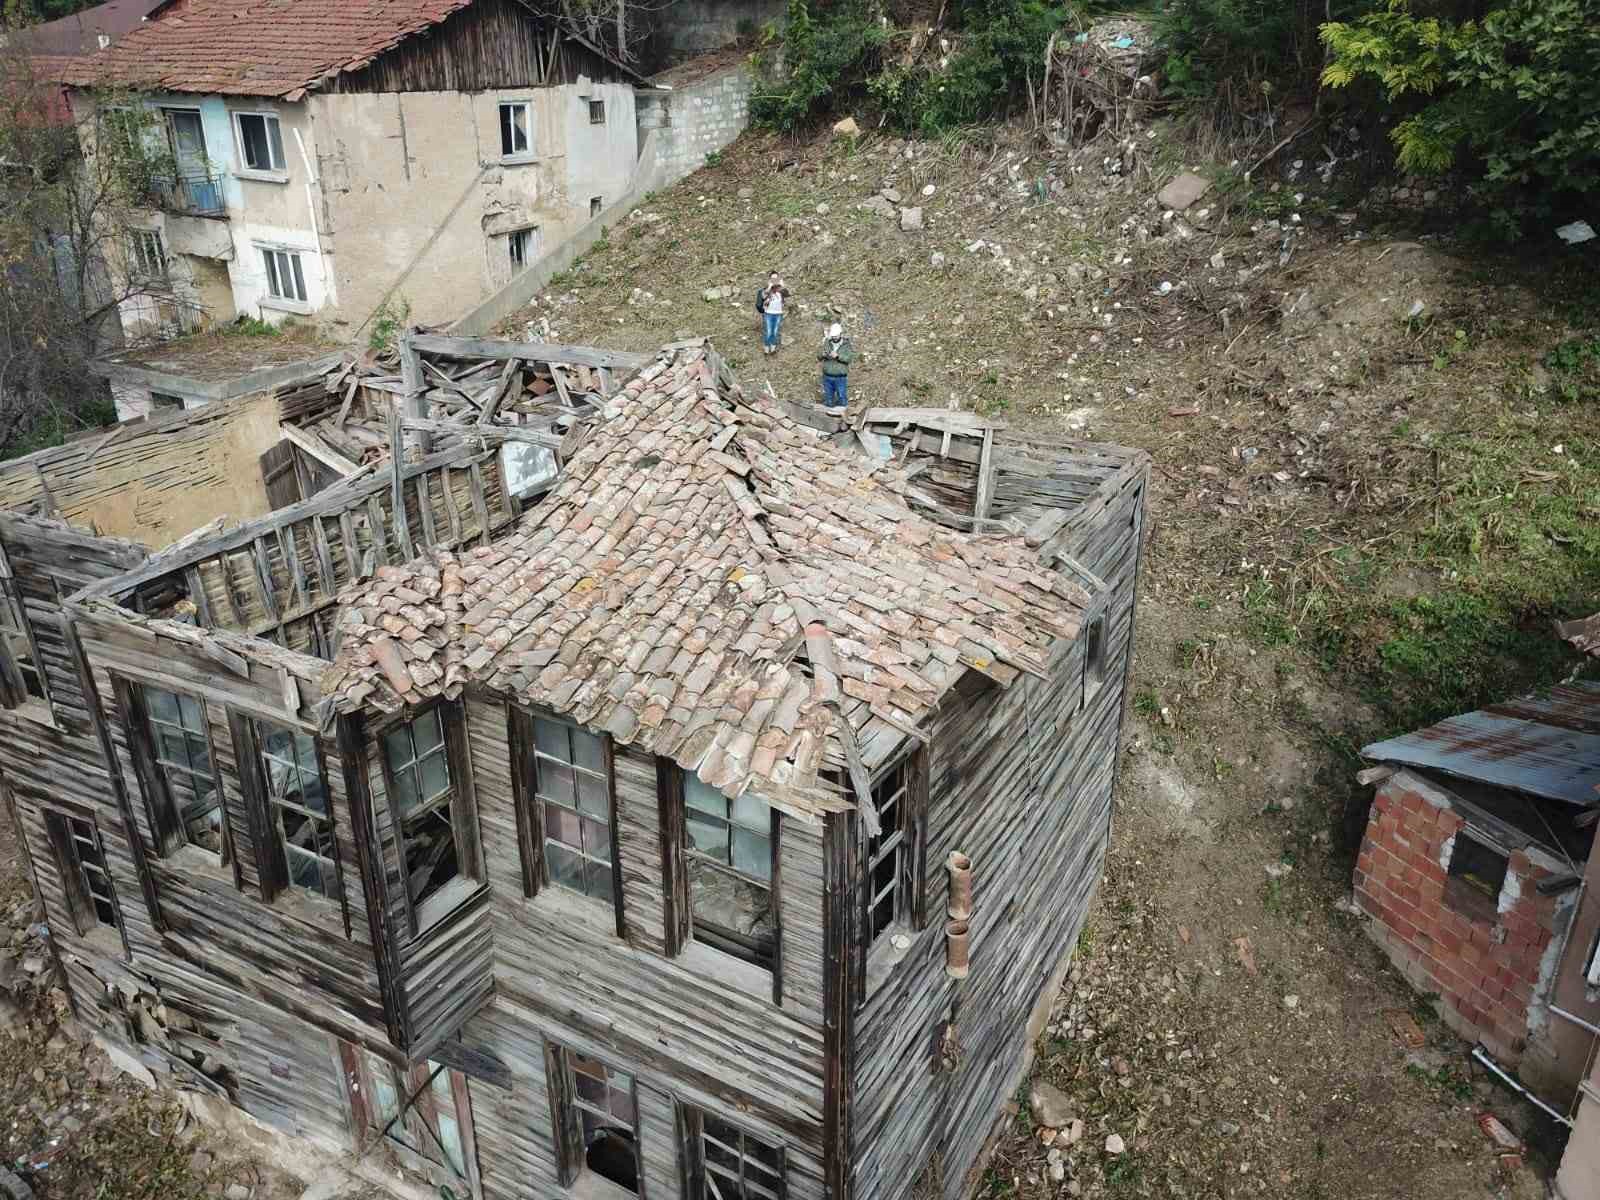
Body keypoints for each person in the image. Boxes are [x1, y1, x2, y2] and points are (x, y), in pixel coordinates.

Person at [818, 322, 854, 410]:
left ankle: (843, 419)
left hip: (840, 378)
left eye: (836, 336)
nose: (834, 338)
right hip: (827, 377)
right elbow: (818, 356)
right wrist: (822, 354)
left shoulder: (846, 345)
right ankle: (829, 420)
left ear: (841, 334)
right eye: (833, 336)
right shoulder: (827, 342)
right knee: (828, 399)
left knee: (842, 398)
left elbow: (848, 359)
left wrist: (837, 356)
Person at [757, 271, 789, 355]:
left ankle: (773, 348)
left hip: (778, 313)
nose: (775, 280)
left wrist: (782, 285)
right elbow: (763, 296)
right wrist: (770, 286)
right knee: (768, 331)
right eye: (773, 278)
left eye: (776, 278)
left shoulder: (780, 291)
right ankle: (766, 349)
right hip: (768, 313)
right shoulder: (766, 289)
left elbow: (787, 294)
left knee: (775, 331)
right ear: (770, 279)